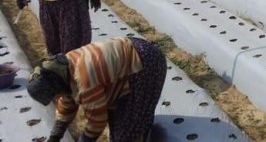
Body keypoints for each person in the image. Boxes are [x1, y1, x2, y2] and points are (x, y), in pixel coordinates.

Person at [26, 36, 166, 142]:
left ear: (56, 85)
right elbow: (67, 101)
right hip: (131, 54)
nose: (57, 97)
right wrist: (55, 137)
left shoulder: (83, 81)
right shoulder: (61, 69)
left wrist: (85, 140)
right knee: (119, 123)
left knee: (128, 129)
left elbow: (97, 121)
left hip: (146, 63)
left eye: (55, 94)